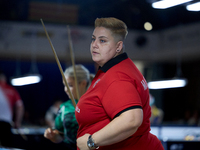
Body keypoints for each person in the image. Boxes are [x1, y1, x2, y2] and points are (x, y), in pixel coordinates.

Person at [76, 17, 164, 150]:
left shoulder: (117, 76)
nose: (94, 44)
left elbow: (132, 120)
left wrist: (91, 141)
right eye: (93, 39)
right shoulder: (117, 68)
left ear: (118, 46)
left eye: (103, 41)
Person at [44, 64, 94, 150]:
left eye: (70, 85)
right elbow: (60, 136)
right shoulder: (64, 107)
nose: (65, 89)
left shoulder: (95, 104)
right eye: (64, 85)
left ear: (83, 83)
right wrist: (52, 135)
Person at [0, 70, 24, 147]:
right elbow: (20, 107)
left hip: (6, 123)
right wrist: (17, 122)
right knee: (7, 146)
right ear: (4, 78)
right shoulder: (12, 90)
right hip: (6, 124)